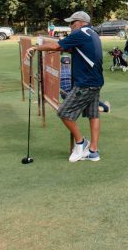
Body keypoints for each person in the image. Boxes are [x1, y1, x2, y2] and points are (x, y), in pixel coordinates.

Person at [27, 11, 104, 163]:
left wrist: (36, 48)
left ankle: (81, 142)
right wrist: (57, 49)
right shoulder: (92, 33)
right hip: (96, 81)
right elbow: (74, 49)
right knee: (93, 114)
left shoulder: (80, 33)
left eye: (72, 22)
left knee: (63, 112)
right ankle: (93, 151)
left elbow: (57, 45)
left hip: (85, 83)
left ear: (80, 22)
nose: (70, 26)